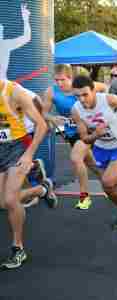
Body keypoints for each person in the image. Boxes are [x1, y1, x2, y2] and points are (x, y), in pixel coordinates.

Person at [71, 75, 117, 229]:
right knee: (111, 183)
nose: (82, 99)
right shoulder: (76, 110)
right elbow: (84, 138)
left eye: (85, 94)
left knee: (107, 183)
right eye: (77, 96)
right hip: (101, 147)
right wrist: (96, 134)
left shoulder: (109, 100)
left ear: (93, 91)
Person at [0, 80, 51, 270]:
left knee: (11, 199)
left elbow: (41, 125)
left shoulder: (13, 92)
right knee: (2, 203)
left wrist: (29, 154)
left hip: (17, 147)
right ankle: (41, 189)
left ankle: (18, 248)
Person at [43, 64, 106, 210]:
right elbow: (44, 113)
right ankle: (114, 181)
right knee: (90, 163)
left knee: (76, 158)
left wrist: (99, 109)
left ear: (71, 78)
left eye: (62, 80)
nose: (59, 83)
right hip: (71, 131)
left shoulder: (80, 87)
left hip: (87, 129)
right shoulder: (51, 92)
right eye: (56, 80)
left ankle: (85, 196)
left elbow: (103, 88)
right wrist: (52, 118)